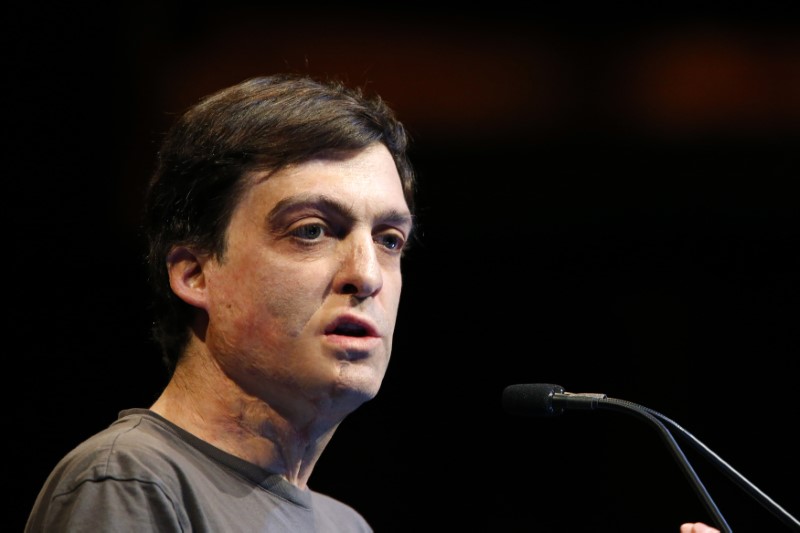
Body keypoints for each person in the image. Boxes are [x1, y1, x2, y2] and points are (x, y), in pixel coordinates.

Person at [24, 73, 723, 532]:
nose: (366, 273)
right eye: (311, 230)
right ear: (195, 271)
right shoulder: (130, 483)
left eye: (390, 239)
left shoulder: (342, 525)